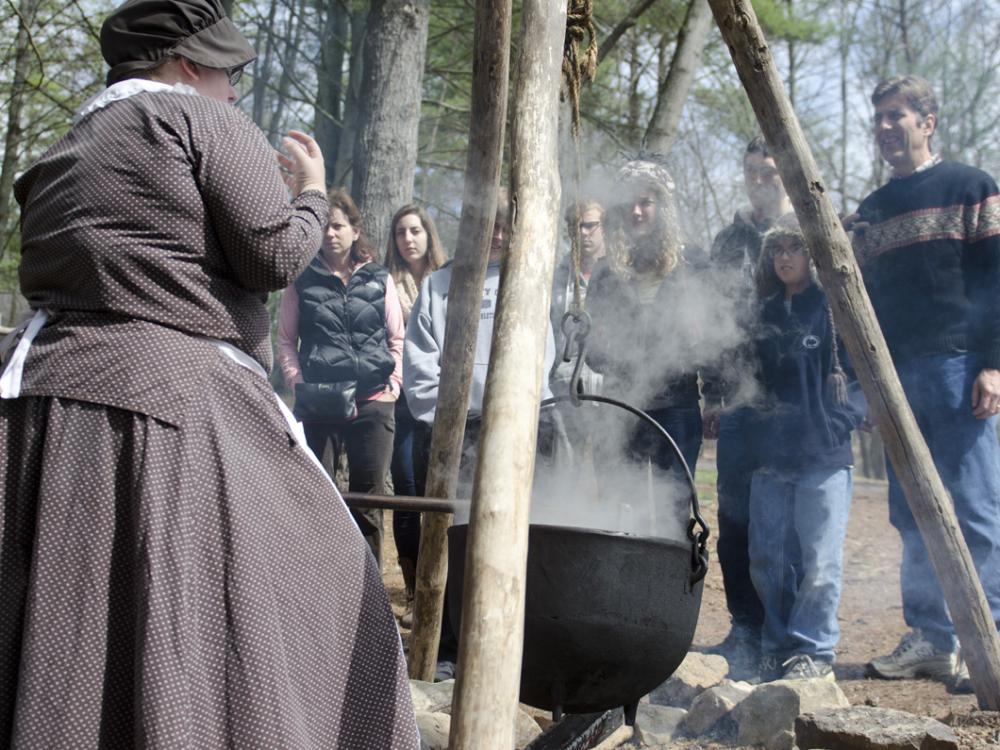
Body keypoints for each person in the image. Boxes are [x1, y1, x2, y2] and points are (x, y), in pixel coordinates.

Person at [0, 0, 418, 745]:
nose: (234, 90)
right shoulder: (197, 119)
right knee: (314, 572)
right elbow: (275, 256)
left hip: (43, 407)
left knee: (75, 629)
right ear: (189, 64)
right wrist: (314, 194)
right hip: (168, 408)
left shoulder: (68, 146)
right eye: (227, 72)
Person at [846, 75, 1000, 688]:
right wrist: (866, 387)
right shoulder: (875, 210)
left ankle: (983, 636)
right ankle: (931, 637)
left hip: (960, 368)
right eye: (879, 119)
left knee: (975, 507)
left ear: (927, 122)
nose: (886, 128)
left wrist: (994, 364)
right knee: (912, 512)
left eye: (897, 116)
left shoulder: (972, 187)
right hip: (897, 377)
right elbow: (866, 308)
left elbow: (996, 283)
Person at [748, 215, 866, 682]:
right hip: (771, 457)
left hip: (823, 455)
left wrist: (841, 418)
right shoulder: (764, 313)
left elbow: (865, 373)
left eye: (794, 248)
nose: (784, 258)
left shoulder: (836, 307)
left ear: (813, 255)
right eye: (777, 249)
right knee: (768, 560)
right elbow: (748, 378)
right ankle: (775, 646)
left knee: (820, 562)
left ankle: (814, 652)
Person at [276, 188, 403, 569]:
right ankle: (322, 578)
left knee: (370, 500)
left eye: (338, 226)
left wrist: (393, 385)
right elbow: (285, 340)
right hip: (320, 400)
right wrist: (297, 382)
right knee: (320, 493)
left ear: (354, 230)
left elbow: (396, 336)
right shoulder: (302, 279)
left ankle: (370, 585)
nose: (330, 234)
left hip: (373, 400)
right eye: (324, 227)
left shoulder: (380, 278)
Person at [703, 135, 792, 672]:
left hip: (793, 402)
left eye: (769, 173)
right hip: (737, 399)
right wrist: (713, 393)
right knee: (734, 520)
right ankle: (745, 629)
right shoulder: (729, 240)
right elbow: (711, 321)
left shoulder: (806, 229)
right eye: (751, 173)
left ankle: (786, 635)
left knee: (784, 523)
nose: (759, 183)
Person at [585, 156, 707, 476]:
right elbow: (594, 355)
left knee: (677, 508)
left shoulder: (693, 263)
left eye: (646, 203)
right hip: (622, 406)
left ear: (663, 208)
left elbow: (713, 340)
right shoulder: (605, 272)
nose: (636, 211)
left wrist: (716, 395)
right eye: (629, 203)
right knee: (622, 511)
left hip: (677, 406)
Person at [383, 203, 446, 623]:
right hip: (402, 403)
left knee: (438, 494)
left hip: (445, 403)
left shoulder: (450, 281)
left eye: (416, 230)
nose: (409, 238)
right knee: (407, 493)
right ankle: (412, 593)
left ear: (429, 235)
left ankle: (440, 588)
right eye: (401, 232)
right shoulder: (387, 283)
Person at [550, 199, 605, 397]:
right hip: (563, 392)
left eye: (590, 226)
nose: (582, 233)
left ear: (605, 227)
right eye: (575, 226)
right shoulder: (554, 280)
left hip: (610, 391)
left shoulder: (622, 277)